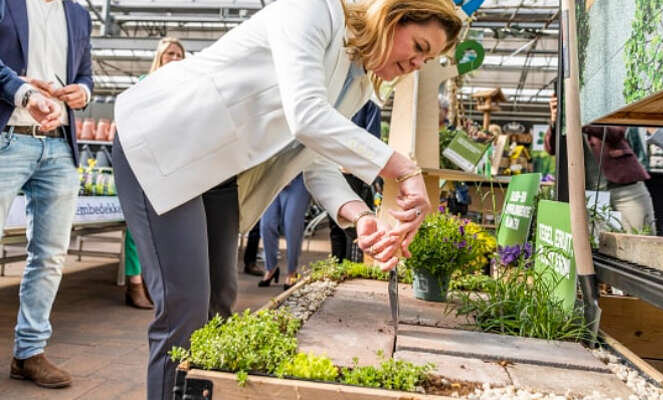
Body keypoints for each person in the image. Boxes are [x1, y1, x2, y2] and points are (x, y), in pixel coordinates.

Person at [112, 0, 460, 397]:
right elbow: (306, 116)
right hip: (164, 140)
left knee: (220, 303)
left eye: (427, 58)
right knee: (184, 309)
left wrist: (361, 216)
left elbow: (315, 160)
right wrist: (401, 167)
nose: (418, 63)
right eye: (418, 46)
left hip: (216, 170)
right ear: (392, 17)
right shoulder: (313, 12)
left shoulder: (357, 80)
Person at [0, 0, 93, 388]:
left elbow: (86, 75)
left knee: (51, 254)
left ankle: (29, 353)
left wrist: (83, 94)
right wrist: (23, 93)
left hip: (58, 145)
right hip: (8, 138)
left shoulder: (79, 14)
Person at [123, 37, 185, 310]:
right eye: (169, 53)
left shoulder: (187, 89)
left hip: (172, 164)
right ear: (158, 58)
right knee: (138, 225)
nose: (174, 58)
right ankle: (134, 283)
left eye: (179, 54)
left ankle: (154, 283)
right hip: (142, 160)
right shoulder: (141, 84)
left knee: (166, 225)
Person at [546, 96, 655, 234]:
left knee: (642, 234)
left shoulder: (605, 100)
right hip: (591, 193)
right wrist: (555, 121)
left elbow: (616, 132)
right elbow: (551, 147)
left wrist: (578, 118)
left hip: (625, 187)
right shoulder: (565, 117)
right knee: (600, 243)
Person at [329, 100, 381, 262]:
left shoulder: (369, 105)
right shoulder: (336, 99)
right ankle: (337, 266)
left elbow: (372, 140)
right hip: (332, 169)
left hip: (353, 173)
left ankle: (351, 265)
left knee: (352, 225)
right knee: (335, 222)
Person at [258, 174, 311, 288]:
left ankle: (292, 272)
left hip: (298, 177)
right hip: (274, 176)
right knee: (266, 224)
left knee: (292, 226)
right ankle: (271, 268)